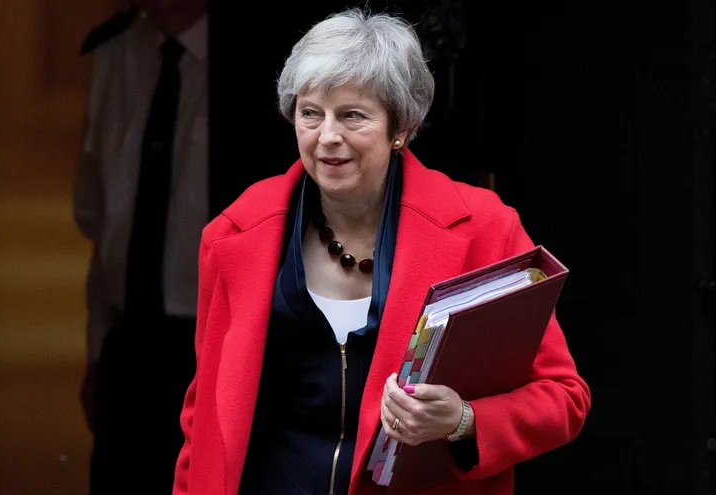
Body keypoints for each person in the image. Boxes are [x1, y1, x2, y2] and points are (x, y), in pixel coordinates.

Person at [172, 8, 591, 495]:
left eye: (352, 115)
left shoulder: (486, 229)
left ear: (402, 128)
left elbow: (564, 397)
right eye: (311, 113)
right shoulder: (234, 233)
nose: (328, 136)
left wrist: (463, 419)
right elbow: (203, 415)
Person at [73, 0, 208, 492]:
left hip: (212, 342)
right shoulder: (115, 54)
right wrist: (96, 352)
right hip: (128, 342)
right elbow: (102, 225)